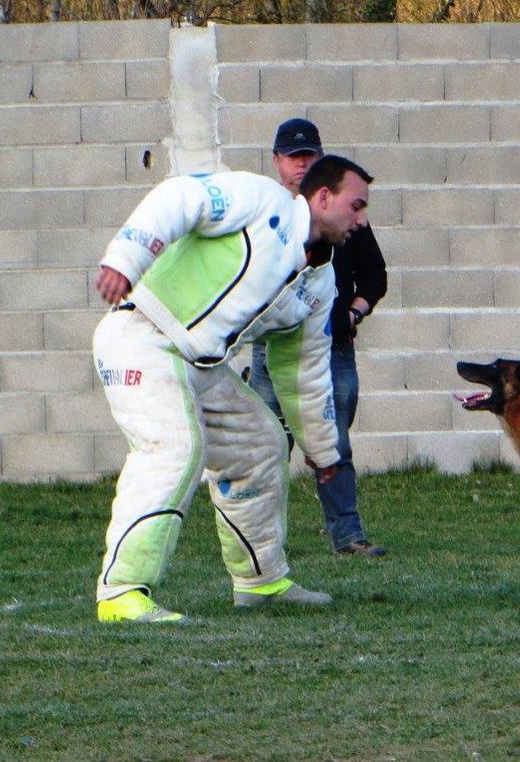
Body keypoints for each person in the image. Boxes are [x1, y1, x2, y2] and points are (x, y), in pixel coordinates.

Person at [92, 154, 373, 623]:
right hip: (141, 338)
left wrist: (323, 454)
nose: (362, 221)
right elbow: (179, 197)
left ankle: (261, 582)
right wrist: (125, 259)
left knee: (261, 444)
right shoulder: (259, 200)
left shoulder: (321, 282)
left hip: (200, 367)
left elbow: (303, 370)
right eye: (357, 205)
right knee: (175, 448)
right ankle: (120, 593)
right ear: (323, 197)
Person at [247, 118, 388, 558]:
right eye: (294, 156)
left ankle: (348, 536)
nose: (302, 163)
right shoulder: (264, 218)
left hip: (332, 351)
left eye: (310, 155)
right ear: (277, 163)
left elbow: (375, 277)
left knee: (332, 441)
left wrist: (352, 314)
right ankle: (258, 541)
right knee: (266, 443)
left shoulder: (346, 220)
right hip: (271, 349)